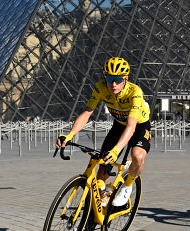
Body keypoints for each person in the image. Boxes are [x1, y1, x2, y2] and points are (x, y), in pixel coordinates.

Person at [56, 57, 151, 207]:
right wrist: (69, 135)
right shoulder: (100, 87)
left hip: (138, 126)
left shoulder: (135, 93)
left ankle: (127, 186)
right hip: (119, 125)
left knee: (138, 156)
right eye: (109, 78)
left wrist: (116, 151)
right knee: (102, 172)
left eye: (118, 79)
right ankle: (101, 203)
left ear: (126, 79)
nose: (113, 84)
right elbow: (87, 113)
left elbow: (131, 126)